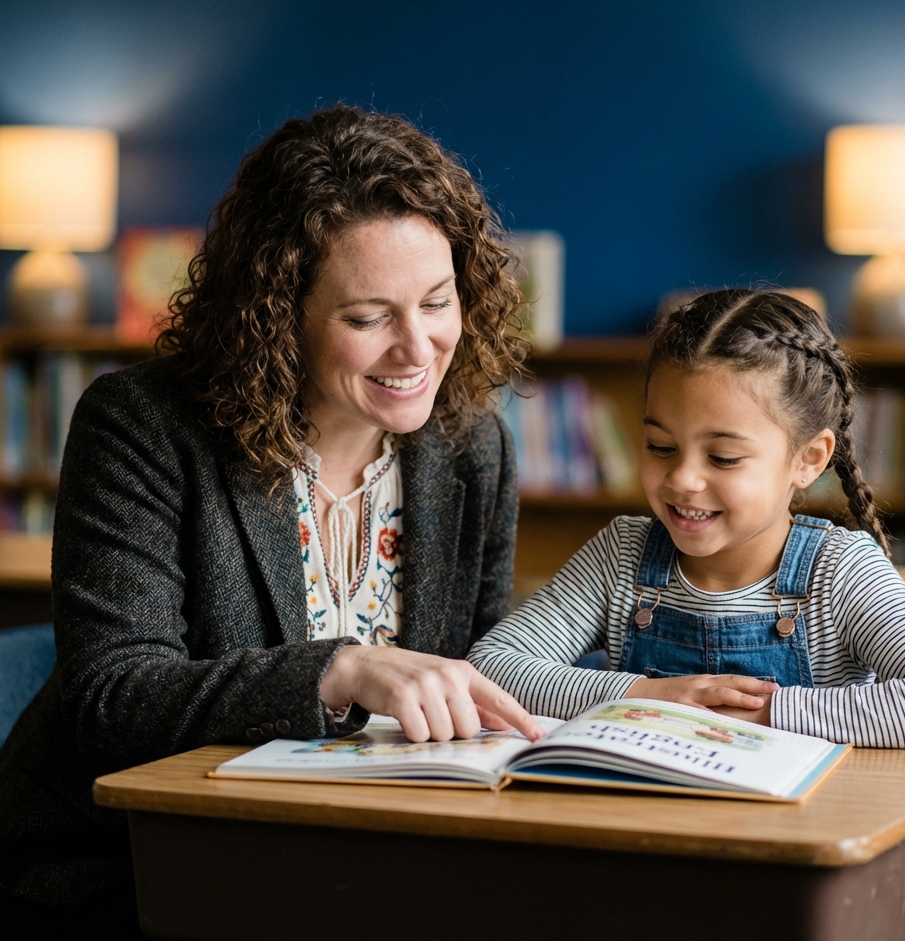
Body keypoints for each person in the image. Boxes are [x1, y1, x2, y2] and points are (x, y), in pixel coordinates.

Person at [0, 105, 541, 937]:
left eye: (438, 300)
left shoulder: (474, 449)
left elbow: (483, 670)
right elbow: (113, 699)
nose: (419, 348)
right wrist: (340, 671)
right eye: (368, 318)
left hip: (364, 865)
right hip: (129, 870)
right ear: (276, 318)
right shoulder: (141, 425)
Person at [469, 288, 905, 748]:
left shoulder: (839, 572)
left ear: (809, 459)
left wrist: (761, 710)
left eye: (722, 458)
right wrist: (651, 697)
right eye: (660, 446)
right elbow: (493, 666)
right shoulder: (622, 554)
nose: (682, 479)